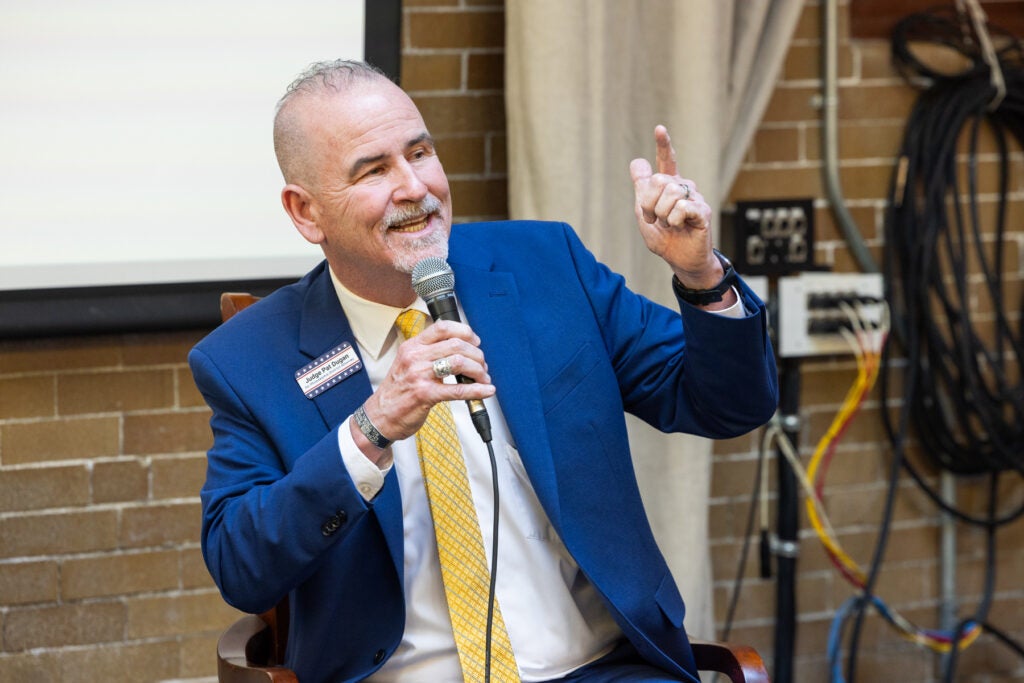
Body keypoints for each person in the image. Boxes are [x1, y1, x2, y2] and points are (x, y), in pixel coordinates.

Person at [190, 59, 778, 683]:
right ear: (306, 212)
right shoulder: (250, 358)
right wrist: (370, 429)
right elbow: (242, 566)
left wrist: (700, 275)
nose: (414, 187)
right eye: (375, 170)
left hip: (601, 668)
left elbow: (730, 405)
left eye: (420, 153)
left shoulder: (545, 266)